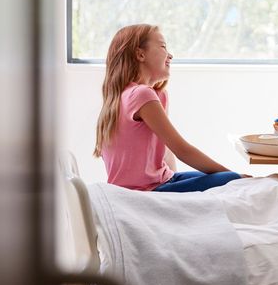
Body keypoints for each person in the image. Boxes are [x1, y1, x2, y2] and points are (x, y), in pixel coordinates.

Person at [93, 24, 243, 192]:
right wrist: (237, 178)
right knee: (232, 179)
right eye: (163, 46)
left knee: (229, 178)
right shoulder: (141, 95)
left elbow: (167, 150)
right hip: (146, 189)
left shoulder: (144, 95)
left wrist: (175, 196)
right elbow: (182, 150)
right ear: (140, 54)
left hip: (165, 179)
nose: (170, 55)